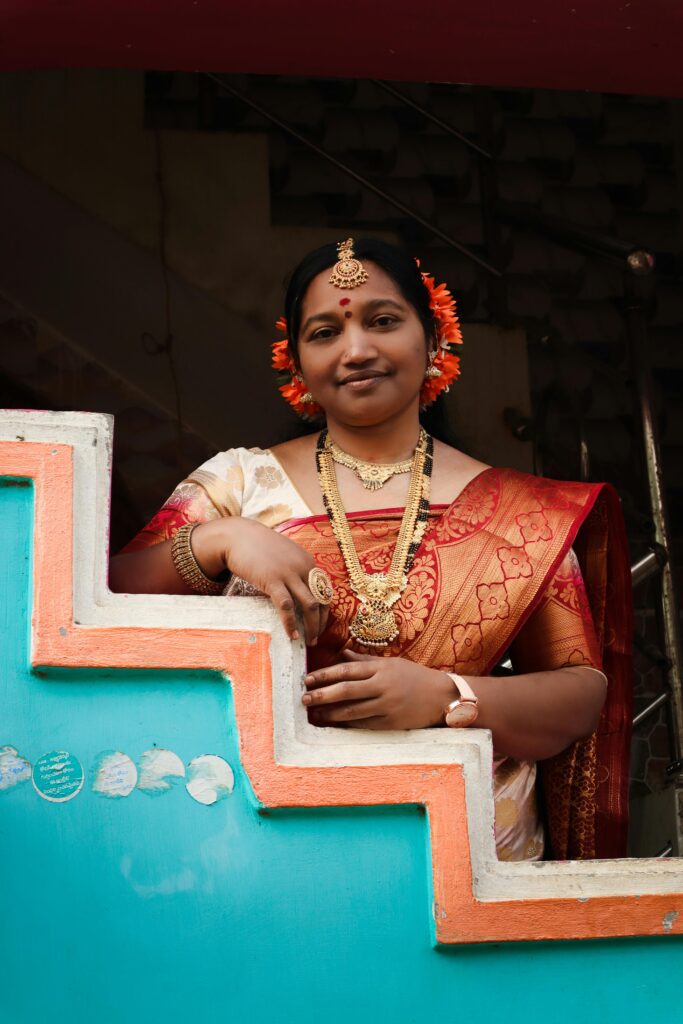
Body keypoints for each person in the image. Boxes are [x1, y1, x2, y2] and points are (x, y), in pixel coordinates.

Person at [110, 237, 633, 861]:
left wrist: (447, 697)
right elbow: (101, 596)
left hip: (478, 858)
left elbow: (579, 693)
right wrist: (221, 539)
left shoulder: (520, 512)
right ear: (297, 364)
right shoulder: (240, 484)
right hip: (263, 846)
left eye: (383, 321)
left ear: (433, 338)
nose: (356, 350)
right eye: (325, 332)